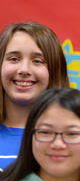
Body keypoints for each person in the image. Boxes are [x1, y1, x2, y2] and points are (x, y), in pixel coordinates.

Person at [0, 21, 69, 171]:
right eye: (14, 59)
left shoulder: (72, 141)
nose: (24, 70)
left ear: (55, 70)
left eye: (37, 61)